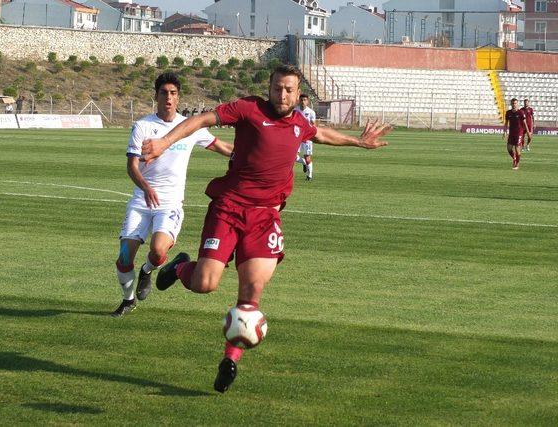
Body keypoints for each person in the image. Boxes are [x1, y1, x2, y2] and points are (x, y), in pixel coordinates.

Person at [141, 64, 391, 392]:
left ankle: (230, 359)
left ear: (297, 92)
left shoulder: (300, 122)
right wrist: (162, 142)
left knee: (252, 290)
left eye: (288, 90)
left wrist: (358, 142)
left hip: (265, 218)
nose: (282, 95)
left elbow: (321, 134)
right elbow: (201, 120)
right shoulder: (248, 109)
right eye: (277, 88)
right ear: (269, 87)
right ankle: (180, 268)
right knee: (204, 284)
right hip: (228, 208)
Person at [111, 72, 232, 317]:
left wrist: (261, 157)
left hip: (170, 203)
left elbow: (224, 148)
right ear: (156, 96)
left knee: (157, 251)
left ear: (178, 97)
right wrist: (145, 187)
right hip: (140, 200)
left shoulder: (190, 128)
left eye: (173, 93)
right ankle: (128, 299)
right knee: (124, 257)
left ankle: (147, 270)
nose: (168, 97)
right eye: (164, 93)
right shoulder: (143, 126)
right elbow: (131, 166)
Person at [503, 98, 531, 170]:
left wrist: (528, 132)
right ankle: (514, 158)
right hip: (511, 133)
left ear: (517, 104)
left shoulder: (520, 112)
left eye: (515, 103)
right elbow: (506, 123)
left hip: (519, 133)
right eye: (513, 103)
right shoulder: (508, 112)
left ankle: (517, 165)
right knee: (509, 148)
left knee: (517, 149)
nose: (514, 105)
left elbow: (525, 123)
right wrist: (504, 132)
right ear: (511, 104)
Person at [294, 94, 316, 181]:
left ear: (307, 101)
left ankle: (309, 175)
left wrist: (311, 136)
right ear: (299, 100)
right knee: (293, 156)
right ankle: (303, 162)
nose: (303, 102)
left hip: (307, 138)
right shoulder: (295, 110)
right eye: (301, 100)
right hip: (296, 136)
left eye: (305, 100)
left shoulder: (311, 112)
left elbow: (313, 126)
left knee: (307, 157)